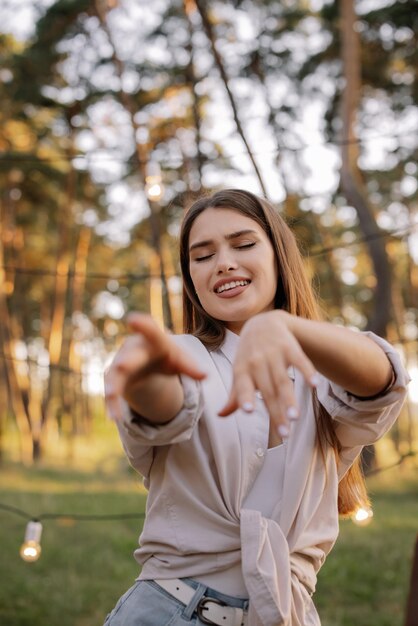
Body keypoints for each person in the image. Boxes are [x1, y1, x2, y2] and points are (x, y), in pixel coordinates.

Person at [103, 189, 409, 626]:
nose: (224, 262)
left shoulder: (327, 372)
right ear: (191, 279)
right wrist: (145, 374)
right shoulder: (184, 355)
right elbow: (164, 407)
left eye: (243, 244)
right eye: (202, 256)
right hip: (167, 612)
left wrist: (285, 327)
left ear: (278, 257)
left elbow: (384, 380)